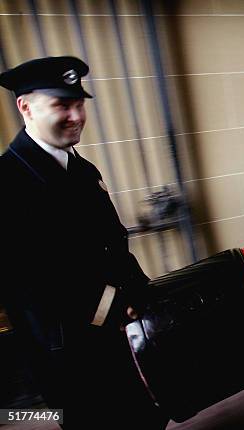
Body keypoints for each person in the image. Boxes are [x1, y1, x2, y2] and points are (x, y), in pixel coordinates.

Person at [0, 57, 168, 428]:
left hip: (122, 335)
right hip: (71, 352)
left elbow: (112, 244)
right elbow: (30, 282)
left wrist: (143, 295)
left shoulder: (83, 169)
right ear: (25, 107)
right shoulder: (8, 181)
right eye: (62, 104)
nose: (77, 115)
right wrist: (115, 303)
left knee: (146, 416)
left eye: (80, 104)